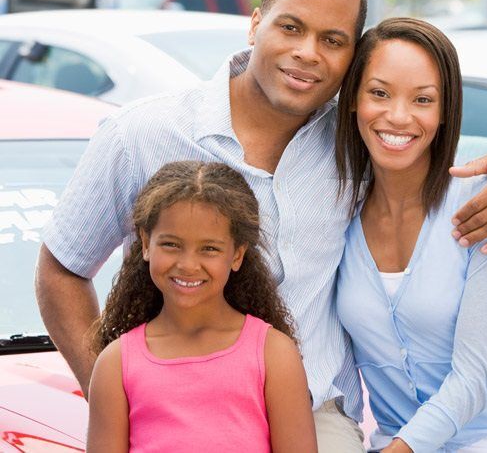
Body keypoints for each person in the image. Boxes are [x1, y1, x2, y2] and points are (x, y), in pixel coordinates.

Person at [35, 0, 487, 451]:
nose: (308, 52)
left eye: (333, 40)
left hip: (315, 415)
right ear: (255, 23)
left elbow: (423, 144)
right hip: (175, 411)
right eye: (291, 28)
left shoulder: (355, 140)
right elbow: (62, 269)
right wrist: (117, 395)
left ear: (351, 58)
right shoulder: (143, 134)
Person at [335, 18, 487, 452]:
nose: (398, 115)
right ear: (353, 98)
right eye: (379, 93)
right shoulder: (334, 210)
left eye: (422, 99)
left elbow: (475, 378)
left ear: (445, 111)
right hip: (394, 441)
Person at [86, 161, 316, 453]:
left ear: (237, 255)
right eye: (171, 244)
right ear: (145, 243)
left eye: (209, 248)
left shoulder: (274, 354)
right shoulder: (115, 363)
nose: (188, 265)